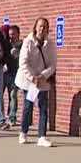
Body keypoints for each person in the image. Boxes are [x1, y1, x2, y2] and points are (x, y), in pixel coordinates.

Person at [16, 17, 57, 147]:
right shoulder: (28, 42)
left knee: (43, 107)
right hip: (30, 80)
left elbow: (52, 64)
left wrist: (43, 76)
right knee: (28, 106)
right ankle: (23, 132)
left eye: (45, 27)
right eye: (40, 26)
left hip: (43, 79)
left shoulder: (50, 44)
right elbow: (23, 62)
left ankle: (42, 137)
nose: (42, 29)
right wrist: (33, 78)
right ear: (35, 28)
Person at [4, 24, 22, 123]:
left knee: (13, 95)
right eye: (10, 34)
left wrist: (18, 54)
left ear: (18, 34)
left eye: (13, 34)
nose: (11, 36)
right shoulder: (6, 45)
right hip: (6, 73)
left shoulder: (22, 45)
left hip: (16, 73)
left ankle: (12, 117)